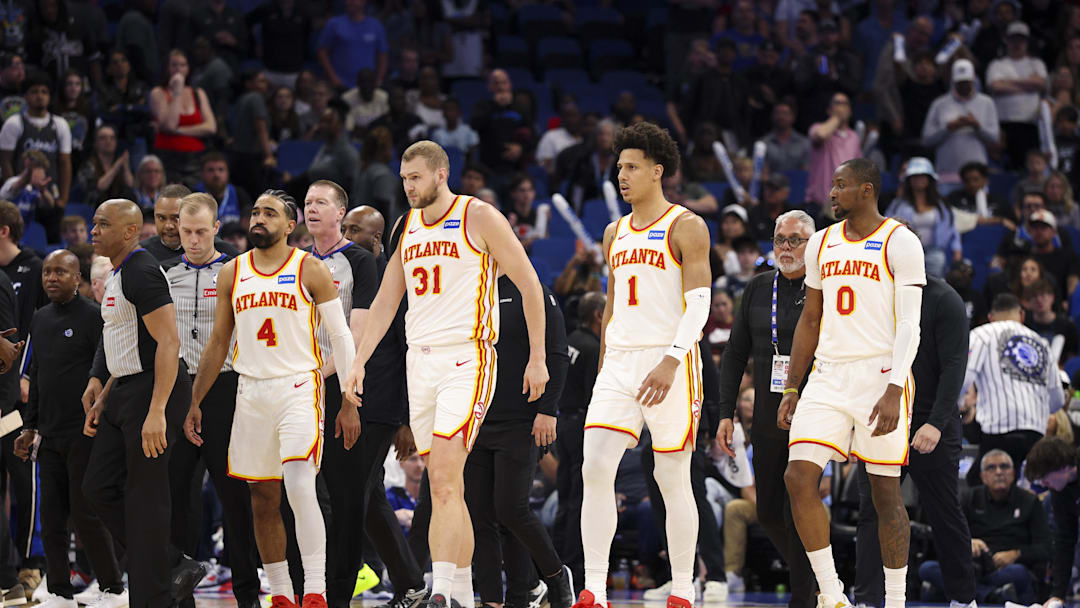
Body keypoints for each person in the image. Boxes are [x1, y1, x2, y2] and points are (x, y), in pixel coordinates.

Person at [344, 140, 550, 608]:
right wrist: (358, 362)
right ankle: (457, 592)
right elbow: (384, 303)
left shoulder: (479, 216)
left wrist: (537, 357)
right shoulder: (407, 225)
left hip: (468, 357)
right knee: (446, 484)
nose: (407, 186)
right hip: (422, 361)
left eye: (415, 177)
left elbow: (530, 283)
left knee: (441, 477)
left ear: (441, 174)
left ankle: (439, 592)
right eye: (403, 178)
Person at [188, 190, 358, 608]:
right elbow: (217, 343)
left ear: (289, 225)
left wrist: (351, 398)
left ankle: (314, 590)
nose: (259, 218)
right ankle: (281, 593)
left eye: (269, 212)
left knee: (300, 486)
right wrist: (195, 401)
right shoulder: (232, 272)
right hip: (251, 391)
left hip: (299, 385)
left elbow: (341, 335)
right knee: (262, 498)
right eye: (255, 211)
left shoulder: (310, 269)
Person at [570, 122, 711, 608]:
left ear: (657, 171)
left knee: (672, 477)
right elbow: (610, 307)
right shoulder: (614, 232)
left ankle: (682, 588)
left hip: (669, 359)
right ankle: (593, 586)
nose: (621, 174)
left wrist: (672, 362)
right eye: (619, 166)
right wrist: (607, 365)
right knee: (594, 467)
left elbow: (700, 305)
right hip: (620, 363)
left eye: (631, 167)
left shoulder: (686, 226)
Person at [778, 158, 926, 608]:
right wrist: (790, 386)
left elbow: (910, 325)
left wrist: (895, 388)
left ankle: (895, 600)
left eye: (840, 186)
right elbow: (810, 319)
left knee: (885, 493)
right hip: (828, 375)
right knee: (798, 477)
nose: (832, 192)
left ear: (866, 190)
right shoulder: (821, 241)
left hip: (881, 374)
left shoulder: (900, 241)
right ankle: (833, 593)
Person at [82, 199, 207, 608]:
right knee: (98, 487)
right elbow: (129, 341)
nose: (93, 230)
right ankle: (172, 565)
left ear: (130, 230)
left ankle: (154, 596)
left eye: (103, 224)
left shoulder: (140, 270)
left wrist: (157, 411)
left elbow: (169, 342)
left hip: (154, 391)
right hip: (125, 390)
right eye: (93, 223)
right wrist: (105, 393)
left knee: (146, 500)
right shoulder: (119, 272)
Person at [851, 274, 976, 608]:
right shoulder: (875, 295)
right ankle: (868, 599)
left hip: (931, 419)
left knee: (944, 510)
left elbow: (954, 366)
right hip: (885, 418)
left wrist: (935, 423)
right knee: (873, 511)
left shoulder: (944, 298)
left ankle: (963, 599)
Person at [163, 193, 259, 608]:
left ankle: (247, 595)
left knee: (235, 498)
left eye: (202, 231)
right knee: (175, 496)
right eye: (186, 232)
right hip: (178, 389)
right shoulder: (165, 276)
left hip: (227, 389)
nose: (194, 240)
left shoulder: (239, 270)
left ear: (217, 228)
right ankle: (178, 595)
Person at [715, 210, 815, 607]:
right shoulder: (757, 288)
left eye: (796, 240)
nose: (786, 247)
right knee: (770, 512)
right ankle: (821, 581)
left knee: (797, 511)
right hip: (767, 418)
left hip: (813, 414)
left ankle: (804, 597)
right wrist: (726, 413)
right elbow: (736, 353)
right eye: (780, 240)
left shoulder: (823, 288)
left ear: (815, 244)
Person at [16, 250, 125, 608]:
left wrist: (102, 420)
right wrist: (29, 427)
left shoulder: (94, 317)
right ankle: (60, 591)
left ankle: (111, 587)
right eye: (47, 271)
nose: (50, 277)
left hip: (86, 433)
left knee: (85, 515)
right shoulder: (40, 319)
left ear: (77, 277)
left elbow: (108, 372)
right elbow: (39, 379)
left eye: (60, 271)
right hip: (48, 435)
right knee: (51, 519)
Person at [465, 274, 573, 608]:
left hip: (522, 419)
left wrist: (548, 410)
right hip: (475, 415)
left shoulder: (535, 291)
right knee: (480, 515)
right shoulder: (471, 289)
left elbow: (556, 353)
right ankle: (497, 601)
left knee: (511, 509)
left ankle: (555, 576)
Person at [301, 180, 380, 608]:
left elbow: (358, 332)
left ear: (340, 213)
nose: (312, 209)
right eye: (308, 203)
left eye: (321, 203)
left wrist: (341, 393)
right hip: (298, 387)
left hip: (339, 385)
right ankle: (305, 585)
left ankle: (341, 593)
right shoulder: (296, 261)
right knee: (298, 491)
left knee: (347, 497)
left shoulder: (360, 262)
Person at [961, 293, 1065, 485]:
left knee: (978, 485)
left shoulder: (982, 334)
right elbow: (1058, 400)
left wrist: (959, 406)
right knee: (1030, 490)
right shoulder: (1041, 344)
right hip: (1035, 434)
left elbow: (964, 377)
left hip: (998, 431)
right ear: (1022, 315)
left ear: (991, 317)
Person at [924, 450, 1049, 603]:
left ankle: (976, 593)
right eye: (991, 468)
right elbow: (948, 536)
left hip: (1007, 569)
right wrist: (967, 542)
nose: (998, 472)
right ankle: (990, 595)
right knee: (928, 569)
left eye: (1004, 467)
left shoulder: (1030, 502)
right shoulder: (969, 498)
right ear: (983, 476)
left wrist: (1016, 554)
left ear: (1013, 473)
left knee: (1019, 573)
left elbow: (1045, 548)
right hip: (972, 566)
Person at [555, 291, 605, 590]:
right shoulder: (592, 348)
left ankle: (557, 565)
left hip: (563, 423)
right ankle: (576, 571)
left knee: (565, 499)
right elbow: (595, 395)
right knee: (580, 501)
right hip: (583, 426)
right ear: (599, 315)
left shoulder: (570, 340)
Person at [0, 72, 72, 240]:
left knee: (52, 245)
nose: (39, 96)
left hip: (49, 195)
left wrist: (64, 199)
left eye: (44, 92)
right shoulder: (14, 123)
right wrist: (14, 192)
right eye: (34, 92)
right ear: (25, 96)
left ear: (49, 97)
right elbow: (5, 161)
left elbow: (65, 163)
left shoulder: (59, 124)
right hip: (21, 197)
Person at [1021, 436, 1080, 608]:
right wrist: (1058, 594)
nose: (1045, 484)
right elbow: (1065, 540)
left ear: (1063, 467)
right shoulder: (1060, 491)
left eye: (1045, 477)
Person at [922, 59, 1000, 179]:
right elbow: (927, 139)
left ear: (973, 80)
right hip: (946, 173)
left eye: (967, 82)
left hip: (977, 176)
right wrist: (948, 128)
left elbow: (994, 138)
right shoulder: (939, 104)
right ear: (953, 81)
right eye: (960, 82)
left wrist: (977, 126)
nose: (964, 85)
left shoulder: (987, 103)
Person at [884, 158, 962, 277]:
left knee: (936, 285)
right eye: (915, 176)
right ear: (909, 180)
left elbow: (953, 231)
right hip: (906, 251)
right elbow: (886, 228)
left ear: (930, 179)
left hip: (935, 252)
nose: (918, 179)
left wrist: (957, 252)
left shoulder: (942, 205)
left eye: (922, 176)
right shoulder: (898, 205)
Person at [149, 49, 216, 185]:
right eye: (174, 65)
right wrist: (177, 92)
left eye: (182, 65)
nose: (178, 69)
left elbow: (211, 127)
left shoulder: (198, 93)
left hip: (196, 159)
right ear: (167, 68)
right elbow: (169, 125)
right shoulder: (158, 92)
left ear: (188, 68)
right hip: (169, 158)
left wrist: (179, 131)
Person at [987, 22, 1048, 170]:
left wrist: (1008, 82)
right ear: (1007, 40)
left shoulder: (1036, 64)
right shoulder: (997, 64)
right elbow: (995, 86)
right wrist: (1027, 85)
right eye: (1013, 39)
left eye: (1021, 40)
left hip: (1028, 125)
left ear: (1027, 42)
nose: (1017, 43)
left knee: (1026, 166)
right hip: (1003, 124)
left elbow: (1040, 84)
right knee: (1003, 166)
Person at [139, 185, 239, 262]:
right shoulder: (141, 252)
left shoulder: (227, 254)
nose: (168, 225)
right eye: (161, 218)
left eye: (176, 217)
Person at [805, 93, 860, 214]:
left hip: (843, 205)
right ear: (829, 110)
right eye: (837, 103)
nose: (841, 107)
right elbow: (821, 135)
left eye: (845, 104)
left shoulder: (854, 137)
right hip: (819, 205)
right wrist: (837, 117)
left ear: (850, 111)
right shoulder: (817, 128)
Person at [317, 0, 388, 91]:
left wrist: (379, 80)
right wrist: (333, 77)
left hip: (367, 86)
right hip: (341, 85)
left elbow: (383, 56)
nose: (350, 2)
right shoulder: (334, 24)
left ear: (363, 2)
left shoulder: (376, 25)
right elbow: (322, 52)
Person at [195, 152, 252, 225]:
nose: (216, 174)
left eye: (221, 170)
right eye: (210, 170)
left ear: (228, 173)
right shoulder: (195, 196)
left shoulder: (239, 194)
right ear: (202, 174)